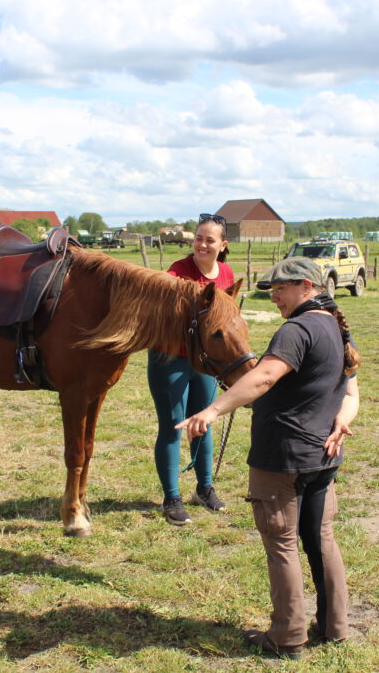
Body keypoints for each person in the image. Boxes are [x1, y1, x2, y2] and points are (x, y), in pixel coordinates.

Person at [177, 257, 360, 660]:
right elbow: (350, 393)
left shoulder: (297, 329)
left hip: (284, 458)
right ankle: (335, 627)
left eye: (281, 289)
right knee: (320, 540)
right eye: (271, 291)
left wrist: (211, 410)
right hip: (322, 457)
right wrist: (342, 421)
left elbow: (262, 377)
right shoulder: (335, 326)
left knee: (282, 545)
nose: (275, 297)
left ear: (307, 287)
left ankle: (288, 637)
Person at [148, 213, 237, 525]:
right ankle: (171, 497)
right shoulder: (178, 271)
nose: (202, 244)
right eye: (198, 238)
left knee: (203, 421)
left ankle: (204, 488)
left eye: (209, 240)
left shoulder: (226, 274)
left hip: (206, 360)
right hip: (171, 356)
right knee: (173, 424)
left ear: (222, 245)